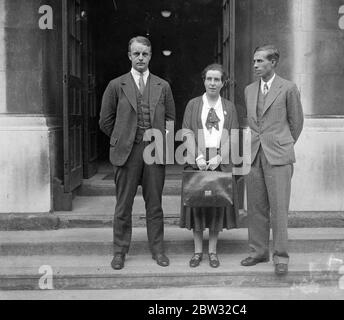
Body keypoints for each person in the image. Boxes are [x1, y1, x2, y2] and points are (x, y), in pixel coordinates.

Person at [99, 36, 176, 270]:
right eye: (136, 54)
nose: (140, 58)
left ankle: (158, 250)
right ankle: (120, 251)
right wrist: (122, 139)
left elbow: (171, 119)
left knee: (155, 204)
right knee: (123, 205)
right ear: (129, 56)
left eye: (144, 53)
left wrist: (160, 141)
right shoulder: (116, 85)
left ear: (150, 55)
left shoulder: (162, 85)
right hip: (127, 152)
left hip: (154, 151)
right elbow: (105, 120)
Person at [241, 45, 304, 276]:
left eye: (260, 61)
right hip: (254, 155)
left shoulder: (288, 88)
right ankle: (258, 252)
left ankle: (280, 257)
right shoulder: (248, 90)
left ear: (273, 62)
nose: (255, 65)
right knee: (256, 207)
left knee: (279, 209)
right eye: (254, 61)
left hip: (278, 156)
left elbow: (296, 122)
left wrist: (282, 145)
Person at [180, 64, 239, 268]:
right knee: (197, 204)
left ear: (223, 83)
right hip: (197, 161)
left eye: (217, 80)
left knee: (215, 205)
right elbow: (187, 130)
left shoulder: (229, 107)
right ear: (204, 81)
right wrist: (196, 155)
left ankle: (212, 251)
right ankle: (197, 252)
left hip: (218, 162)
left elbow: (232, 134)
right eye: (209, 79)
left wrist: (220, 157)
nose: (212, 83)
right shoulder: (193, 104)